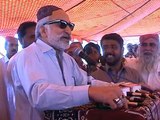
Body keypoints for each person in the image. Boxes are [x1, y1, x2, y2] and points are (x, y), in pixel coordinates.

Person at [7, 5, 126, 120]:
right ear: (43, 31)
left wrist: (113, 88)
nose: (68, 31)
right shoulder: (27, 55)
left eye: (70, 26)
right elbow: (39, 95)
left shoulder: (67, 59)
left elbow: (86, 81)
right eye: (62, 24)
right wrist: (90, 92)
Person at [0, 36, 18, 120]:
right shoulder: (0, 64)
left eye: (16, 45)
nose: (14, 48)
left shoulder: (21, 62)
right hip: (4, 103)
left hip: (19, 105)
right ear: (5, 47)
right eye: (11, 45)